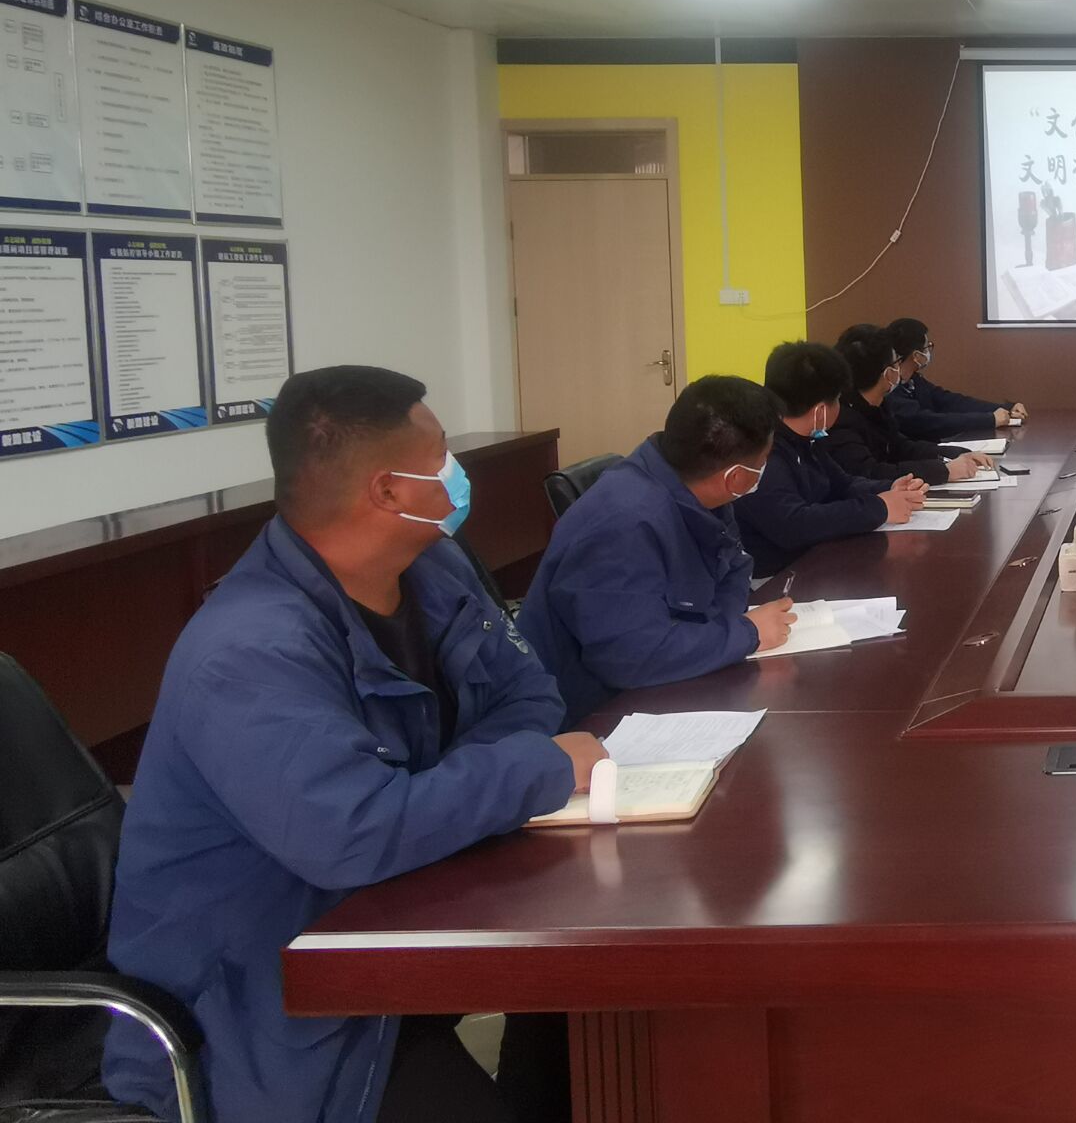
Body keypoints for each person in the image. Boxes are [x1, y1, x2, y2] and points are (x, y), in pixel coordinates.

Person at [102, 366, 606, 1123]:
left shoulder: (431, 564)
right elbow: (354, 834)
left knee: (583, 1009)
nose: (456, 471)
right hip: (268, 1018)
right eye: (440, 454)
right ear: (389, 490)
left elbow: (529, 694)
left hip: (404, 913)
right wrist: (528, 770)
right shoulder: (248, 654)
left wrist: (443, 797)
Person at [517, 375, 797, 729]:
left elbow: (735, 568)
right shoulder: (623, 523)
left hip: (668, 678)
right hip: (590, 717)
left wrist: (724, 631)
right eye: (765, 459)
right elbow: (629, 658)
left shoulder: (699, 488)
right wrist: (746, 634)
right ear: (736, 476)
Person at [736, 341, 923, 577]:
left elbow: (842, 484)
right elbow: (795, 524)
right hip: (775, 577)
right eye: (838, 400)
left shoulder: (807, 439)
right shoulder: (762, 452)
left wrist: (890, 488)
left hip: (814, 560)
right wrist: (880, 507)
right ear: (820, 411)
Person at [826, 325, 993, 486]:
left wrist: (958, 453)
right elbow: (871, 472)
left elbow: (902, 447)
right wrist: (944, 471)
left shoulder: (879, 406)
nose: (899, 368)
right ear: (887, 373)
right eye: (896, 362)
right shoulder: (840, 419)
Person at [883, 317, 1026, 442]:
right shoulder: (890, 389)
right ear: (916, 356)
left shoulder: (914, 381)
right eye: (927, 347)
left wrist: (1004, 409)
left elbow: (951, 401)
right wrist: (989, 419)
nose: (929, 351)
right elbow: (928, 421)